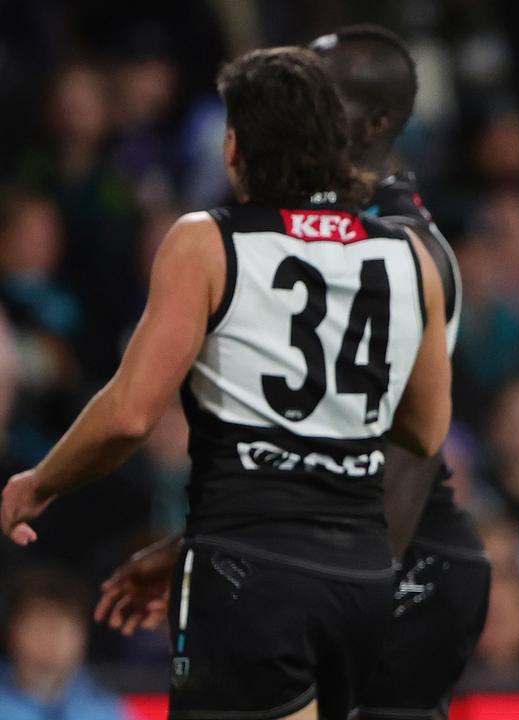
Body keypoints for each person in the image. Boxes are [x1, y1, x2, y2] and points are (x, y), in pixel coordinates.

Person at [1, 46, 451, 720]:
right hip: (361, 582)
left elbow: (129, 416)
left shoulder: (208, 242)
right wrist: (189, 549)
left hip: (248, 577)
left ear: (234, 147)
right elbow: (425, 428)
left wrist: (39, 485)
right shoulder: (411, 254)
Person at [0, 567, 126, 720]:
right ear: (11, 631)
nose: (52, 638)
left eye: (64, 626)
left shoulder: (108, 710)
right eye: (40, 625)